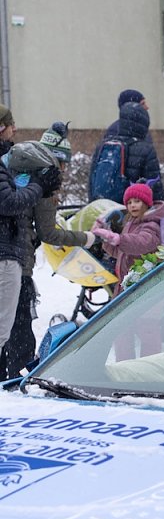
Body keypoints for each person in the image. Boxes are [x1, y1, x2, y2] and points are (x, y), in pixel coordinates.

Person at [0, 126, 96, 378]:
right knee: (18, 333)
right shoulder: (44, 179)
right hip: (16, 262)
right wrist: (87, 238)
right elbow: (48, 233)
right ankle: (14, 384)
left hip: (10, 256)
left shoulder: (15, 169)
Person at [1, 145, 56, 365]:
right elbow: (10, 203)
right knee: (8, 330)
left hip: (13, 257)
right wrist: (39, 186)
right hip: (7, 257)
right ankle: (15, 373)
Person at [91, 182, 164, 293]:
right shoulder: (130, 224)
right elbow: (121, 253)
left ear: (146, 203)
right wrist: (107, 240)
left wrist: (119, 239)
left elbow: (142, 243)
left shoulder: (152, 224)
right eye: (129, 202)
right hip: (126, 283)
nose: (132, 205)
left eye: (137, 201)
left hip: (144, 284)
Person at [89, 100, 164, 202]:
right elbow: (154, 187)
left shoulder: (103, 146)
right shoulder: (146, 149)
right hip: (131, 208)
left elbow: (92, 181)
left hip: (103, 207)